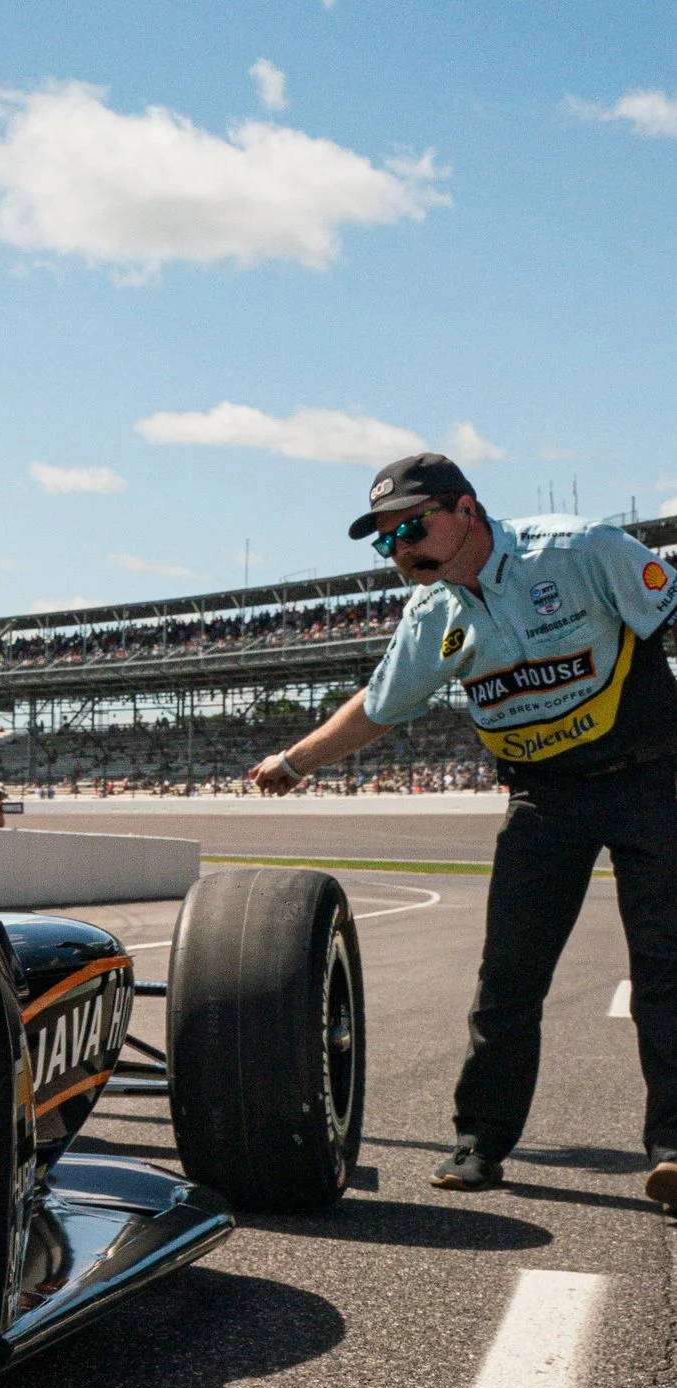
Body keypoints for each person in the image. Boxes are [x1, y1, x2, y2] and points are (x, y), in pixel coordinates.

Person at [249, 454, 677, 1205]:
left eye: (409, 528)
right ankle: (480, 1143)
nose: (400, 552)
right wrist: (294, 760)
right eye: (385, 542)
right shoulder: (432, 614)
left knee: (666, 973)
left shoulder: (581, 551)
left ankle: (674, 1152)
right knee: (506, 982)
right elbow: (380, 706)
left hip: (651, 780)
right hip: (543, 799)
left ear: (466, 511)